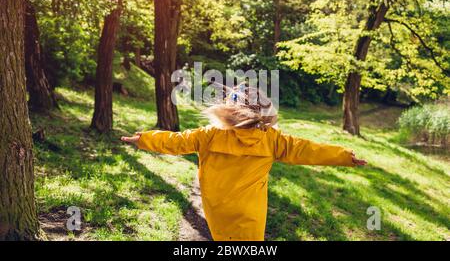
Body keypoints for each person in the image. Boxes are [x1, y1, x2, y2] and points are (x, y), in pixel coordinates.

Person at [121, 84, 367, 241]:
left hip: (217, 208)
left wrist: (144, 139)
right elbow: (308, 150)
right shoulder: (272, 140)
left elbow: (175, 142)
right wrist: (344, 156)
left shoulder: (209, 135)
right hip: (250, 213)